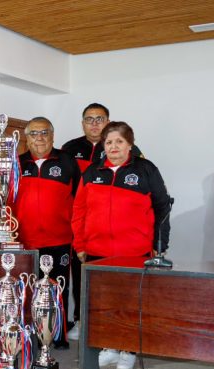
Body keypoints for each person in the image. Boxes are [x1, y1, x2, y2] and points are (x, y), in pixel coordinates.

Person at [71, 121, 171, 369]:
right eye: (109, 142)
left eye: (119, 141)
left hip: (134, 252)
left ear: (130, 145)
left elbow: (162, 208)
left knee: (130, 304)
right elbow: (79, 210)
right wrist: (80, 244)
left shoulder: (146, 170)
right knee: (103, 304)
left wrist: (160, 244)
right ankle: (109, 347)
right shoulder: (92, 172)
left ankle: (128, 350)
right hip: (97, 252)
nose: (113, 147)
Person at [62, 103, 143, 341]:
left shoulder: (126, 148)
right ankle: (80, 319)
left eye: (100, 119)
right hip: (82, 225)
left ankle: (117, 329)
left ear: (108, 122)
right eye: (89, 119)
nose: (95, 123)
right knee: (81, 275)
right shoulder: (70, 149)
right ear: (82, 123)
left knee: (116, 283)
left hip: (118, 229)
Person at [12, 117, 80, 348]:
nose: (39, 138)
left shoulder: (67, 161)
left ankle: (58, 334)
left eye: (44, 133)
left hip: (60, 239)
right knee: (29, 290)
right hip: (26, 241)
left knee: (59, 288)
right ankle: (31, 333)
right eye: (33, 133)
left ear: (52, 136)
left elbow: (80, 199)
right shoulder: (17, 163)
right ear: (26, 138)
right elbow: (8, 200)